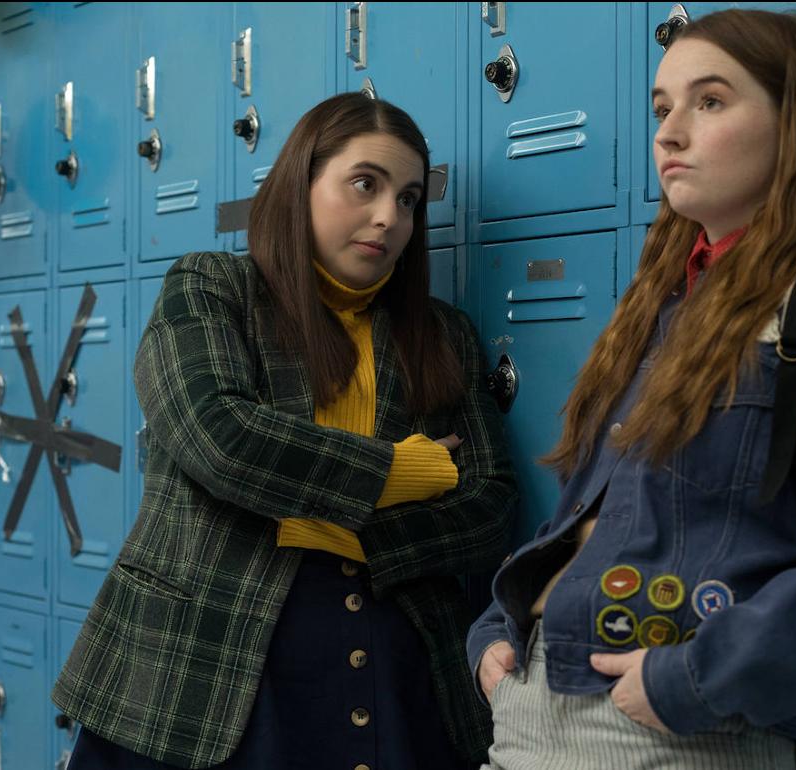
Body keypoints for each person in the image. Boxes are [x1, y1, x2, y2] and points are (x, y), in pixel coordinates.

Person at [467, 10, 796, 770]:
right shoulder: (659, 308)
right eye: (663, 107)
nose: (669, 133)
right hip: (530, 709)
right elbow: (600, 519)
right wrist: (497, 631)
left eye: (711, 102)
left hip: (674, 733)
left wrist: (692, 677)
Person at [54, 93, 517, 770]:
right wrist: (399, 474)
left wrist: (334, 526)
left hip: (393, 661)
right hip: (196, 668)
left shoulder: (441, 334)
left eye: (410, 198)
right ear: (299, 185)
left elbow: (490, 504)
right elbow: (218, 437)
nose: (390, 217)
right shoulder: (211, 288)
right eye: (365, 184)